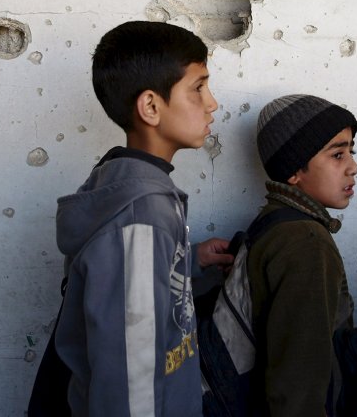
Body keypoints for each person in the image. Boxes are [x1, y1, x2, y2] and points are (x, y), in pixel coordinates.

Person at [53, 21, 233, 417]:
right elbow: (130, 374)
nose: (212, 103)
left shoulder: (128, 185)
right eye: (198, 87)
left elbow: (136, 288)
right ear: (151, 107)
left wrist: (189, 259)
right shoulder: (140, 215)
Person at [248, 94, 357, 416]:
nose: (353, 166)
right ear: (294, 171)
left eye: (351, 151)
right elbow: (298, 387)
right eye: (338, 154)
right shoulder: (307, 242)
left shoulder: (276, 220)